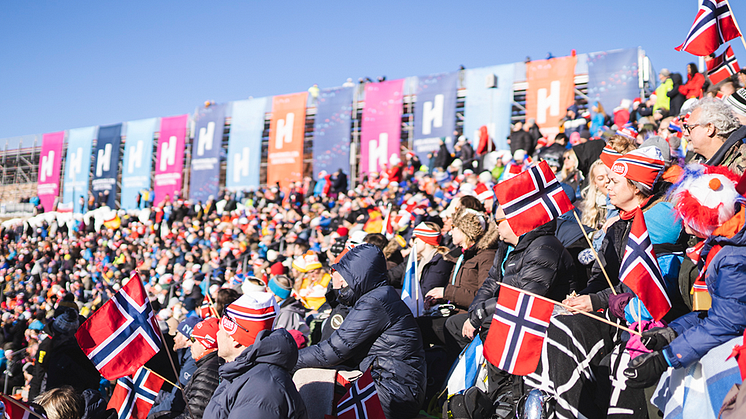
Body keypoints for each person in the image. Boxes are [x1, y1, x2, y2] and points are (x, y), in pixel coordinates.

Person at [624, 164, 746, 388]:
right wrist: (672, 332)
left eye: (690, 219)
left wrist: (667, 357)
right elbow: (715, 313)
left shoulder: (733, 259)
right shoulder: (723, 247)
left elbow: (727, 323)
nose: (686, 227)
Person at [295, 244, 426, 419]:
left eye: (345, 276)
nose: (340, 282)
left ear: (359, 275)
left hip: (394, 392)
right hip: (395, 384)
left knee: (307, 379)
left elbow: (333, 351)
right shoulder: (377, 296)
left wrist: (287, 358)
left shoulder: (375, 302)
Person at [203, 292, 307, 419]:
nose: (217, 335)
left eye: (221, 330)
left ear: (235, 339)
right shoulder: (240, 371)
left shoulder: (261, 388)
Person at [28, 308, 100, 401]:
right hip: (61, 399)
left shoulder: (78, 351)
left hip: (64, 401)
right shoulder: (48, 346)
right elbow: (39, 373)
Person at [686, 97, 746, 175]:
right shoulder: (696, 160)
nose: (687, 133)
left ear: (709, 128)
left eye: (690, 128)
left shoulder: (742, 161)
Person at [175, 318, 220, 419]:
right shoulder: (208, 365)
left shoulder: (207, 373)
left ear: (205, 345)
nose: (190, 344)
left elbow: (194, 415)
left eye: (193, 340)